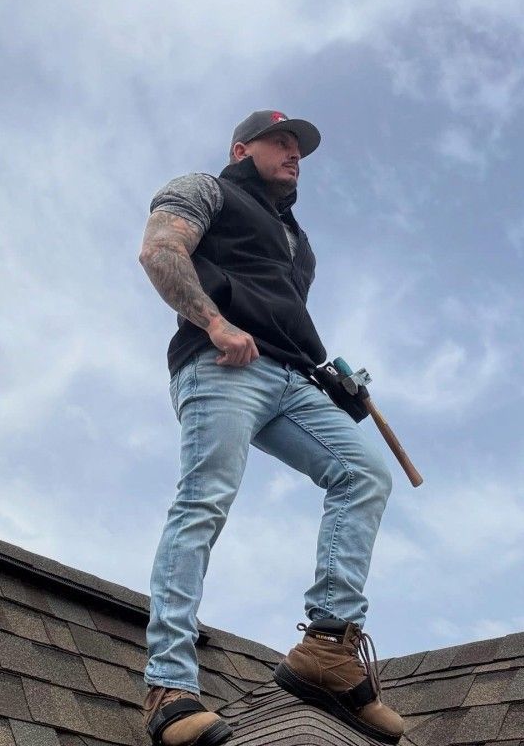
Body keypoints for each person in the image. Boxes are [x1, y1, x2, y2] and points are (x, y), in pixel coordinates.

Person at [138, 110, 405, 746]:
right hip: (223, 363)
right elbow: (159, 250)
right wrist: (215, 323)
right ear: (242, 148)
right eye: (280, 143)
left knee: (365, 472)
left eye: (300, 148)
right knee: (204, 500)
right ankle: (168, 687)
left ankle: (326, 650)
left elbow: (284, 313)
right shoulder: (206, 189)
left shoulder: (298, 242)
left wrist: (334, 378)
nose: (294, 154)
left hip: (291, 378)